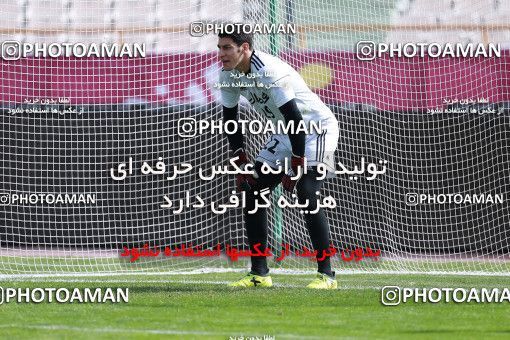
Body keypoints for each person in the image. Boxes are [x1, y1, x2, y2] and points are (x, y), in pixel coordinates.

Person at [217, 28, 339, 289]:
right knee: (252, 190)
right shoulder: (227, 75)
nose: (221, 53)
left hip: (317, 130)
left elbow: (295, 117)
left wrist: (296, 162)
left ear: (245, 48)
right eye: (220, 47)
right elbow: (230, 119)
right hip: (287, 133)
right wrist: (239, 157)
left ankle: (327, 275)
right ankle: (260, 273)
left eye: (227, 47)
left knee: (307, 192)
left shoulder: (269, 70)